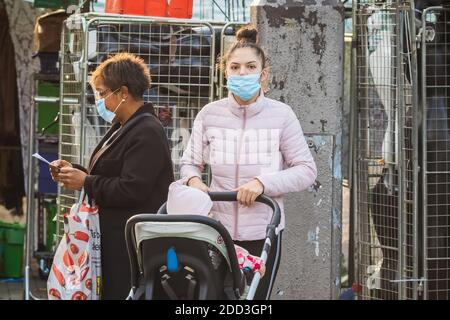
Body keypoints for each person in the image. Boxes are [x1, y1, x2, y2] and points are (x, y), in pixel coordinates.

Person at [179, 25, 317, 299]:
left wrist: (262, 183)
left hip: (262, 231)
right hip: (216, 230)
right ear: (226, 72)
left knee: (252, 299)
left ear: (263, 75)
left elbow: (306, 170)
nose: (243, 73)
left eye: (251, 66)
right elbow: (189, 163)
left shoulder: (282, 115)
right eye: (236, 67)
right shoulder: (209, 114)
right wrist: (194, 182)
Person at [49, 53, 174, 299]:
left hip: (130, 244)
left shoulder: (147, 130)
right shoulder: (122, 125)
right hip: (111, 239)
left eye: (103, 92)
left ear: (123, 92)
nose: (100, 100)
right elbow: (109, 172)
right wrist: (74, 172)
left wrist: (86, 181)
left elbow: (132, 189)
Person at [166, 179, 266, 279]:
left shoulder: (163, 242)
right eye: (208, 212)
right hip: (209, 289)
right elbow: (238, 256)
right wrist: (257, 264)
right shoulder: (212, 242)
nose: (212, 214)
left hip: (172, 287)